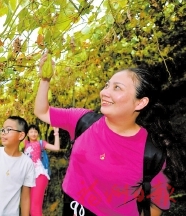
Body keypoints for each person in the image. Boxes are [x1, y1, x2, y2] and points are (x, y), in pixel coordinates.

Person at [33, 53, 186, 216]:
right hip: (70, 208)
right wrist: (45, 79)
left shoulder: (152, 153)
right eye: (107, 85)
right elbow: (42, 112)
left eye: (117, 87)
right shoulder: (83, 120)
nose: (104, 92)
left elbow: (155, 204)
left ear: (140, 102)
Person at [23, 124, 60, 216]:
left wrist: (56, 132)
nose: (34, 133)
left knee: (35, 208)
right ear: (27, 133)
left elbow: (56, 148)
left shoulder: (41, 143)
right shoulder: (25, 144)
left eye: (35, 131)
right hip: (29, 177)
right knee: (31, 209)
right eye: (31, 131)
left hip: (39, 174)